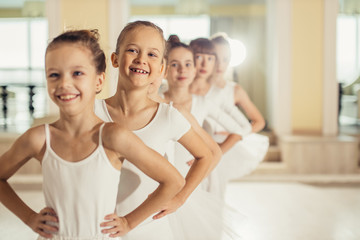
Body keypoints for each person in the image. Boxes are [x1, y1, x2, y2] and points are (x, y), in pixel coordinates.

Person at [0, 29, 184, 240]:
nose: (64, 83)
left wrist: (129, 222)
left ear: (98, 81)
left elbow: (173, 181)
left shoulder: (113, 136)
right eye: (54, 74)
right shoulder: (39, 139)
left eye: (77, 73)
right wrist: (29, 218)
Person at [94, 21, 214, 240]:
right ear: (115, 58)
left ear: (161, 69)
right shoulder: (92, 111)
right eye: (132, 50)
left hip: (149, 231)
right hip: (98, 229)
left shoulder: (167, 117)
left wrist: (180, 198)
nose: (141, 59)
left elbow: (206, 155)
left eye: (152, 54)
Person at [192, 34, 269, 197]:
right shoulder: (196, 87)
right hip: (195, 143)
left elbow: (258, 121)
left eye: (226, 59)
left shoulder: (233, 90)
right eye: (216, 58)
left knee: (214, 189)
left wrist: (232, 135)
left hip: (222, 145)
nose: (220, 64)